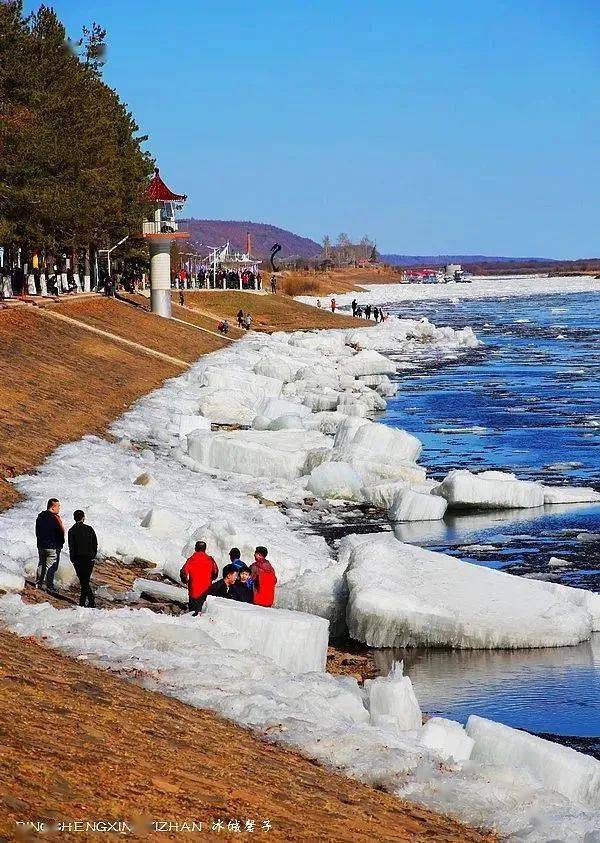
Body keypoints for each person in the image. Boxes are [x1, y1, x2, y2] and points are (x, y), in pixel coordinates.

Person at [68, 510, 98, 607]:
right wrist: (93, 555)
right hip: (89, 558)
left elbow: (71, 546)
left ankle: (88, 601)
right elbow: (95, 543)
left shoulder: (71, 530)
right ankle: (86, 601)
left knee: (83, 581)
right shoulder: (89, 528)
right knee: (85, 581)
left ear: (74, 518)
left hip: (78, 559)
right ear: (83, 518)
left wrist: (72, 559)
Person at [180, 540, 219, 615]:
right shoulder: (210, 560)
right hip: (206, 590)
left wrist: (186, 581)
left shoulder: (191, 560)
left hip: (193, 590)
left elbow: (183, 573)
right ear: (205, 549)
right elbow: (215, 573)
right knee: (203, 612)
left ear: (195, 548)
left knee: (192, 613)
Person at [35, 498, 65, 592]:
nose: (59, 508)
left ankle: (38, 583)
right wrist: (60, 543)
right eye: (58, 506)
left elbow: (37, 531)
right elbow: (60, 532)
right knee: (51, 566)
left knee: (41, 564)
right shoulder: (55, 518)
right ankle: (49, 586)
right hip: (52, 546)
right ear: (53, 507)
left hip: (41, 545)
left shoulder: (40, 516)